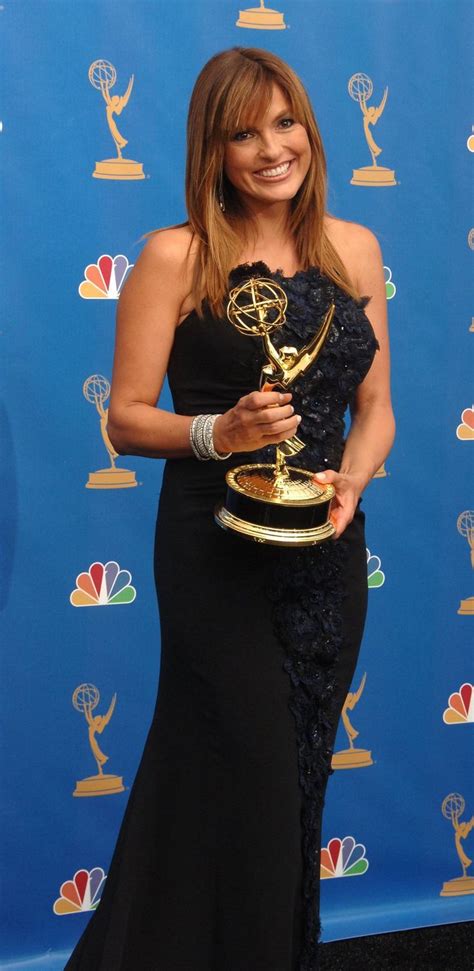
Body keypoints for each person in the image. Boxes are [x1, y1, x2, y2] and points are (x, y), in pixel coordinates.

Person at [65, 46, 395, 971]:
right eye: (243, 132)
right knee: (245, 775)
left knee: (290, 784)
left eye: (285, 122)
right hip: (215, 553)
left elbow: (379, 411)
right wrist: (221, 432)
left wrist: (353, 481)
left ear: (311, 130)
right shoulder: (176, 255)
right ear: (212, 149)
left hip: (326, 552)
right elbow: (125, 418)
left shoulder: (355, 249)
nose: (270, 148)